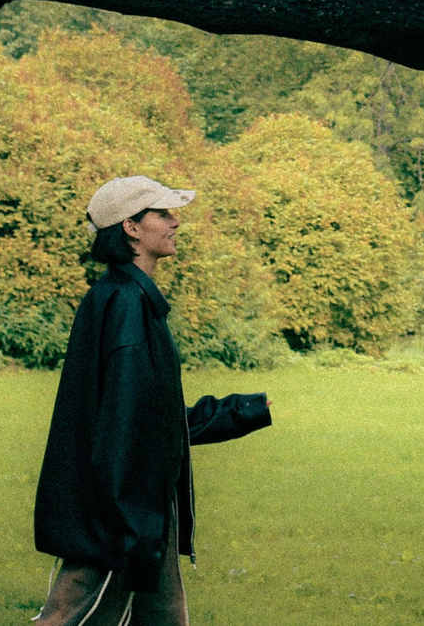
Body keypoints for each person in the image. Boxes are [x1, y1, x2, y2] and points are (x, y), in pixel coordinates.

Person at [31, 175, 272, 625]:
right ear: (131, 228)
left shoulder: (126, 299)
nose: (176, 222)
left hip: (139, 513)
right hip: (122, 521)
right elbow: (121, 432)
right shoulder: (125, 307)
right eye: (163, 213)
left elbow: (150, 420)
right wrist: (133, 530)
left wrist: (241, 412)